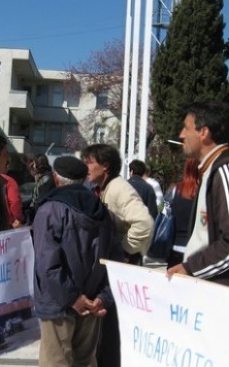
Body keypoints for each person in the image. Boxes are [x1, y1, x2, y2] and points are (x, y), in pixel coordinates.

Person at [166, 101, 229, 312]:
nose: (181, 134)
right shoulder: (212, 170)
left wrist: (191, 269)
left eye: (186, 127)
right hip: (210, 295)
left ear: (204, 132)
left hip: (222, 300)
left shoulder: (228, 171)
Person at [33, 156, 121, 367]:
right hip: (91, 302)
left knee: (56, 361)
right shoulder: (104, 212)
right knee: (85, 361)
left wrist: (74, 298)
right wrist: (102, 297)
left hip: (59, 304)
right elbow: (116, 262)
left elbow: (47, 265)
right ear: (84, 180)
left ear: (56, 178)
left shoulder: (50, 210)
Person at [81, 143, 154, 367]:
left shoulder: (119, 188)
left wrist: (123, 250)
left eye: (90, 162)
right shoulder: (105, 187)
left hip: (120, 271)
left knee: (112, 334)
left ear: (105, 166)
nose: (86, 167)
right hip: (112, 271)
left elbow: (144, 223)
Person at [166, 158, 199, 268]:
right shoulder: (206, 190)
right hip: (198, 249)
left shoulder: (174, 190)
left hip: (176, 246)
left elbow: (163, 212)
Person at [27, 154, 55, 223]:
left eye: (34, 163)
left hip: (41, 217)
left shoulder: (46, 179)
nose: (33, 166)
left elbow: (41, 199)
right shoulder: (43, 177)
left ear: (38, 164)